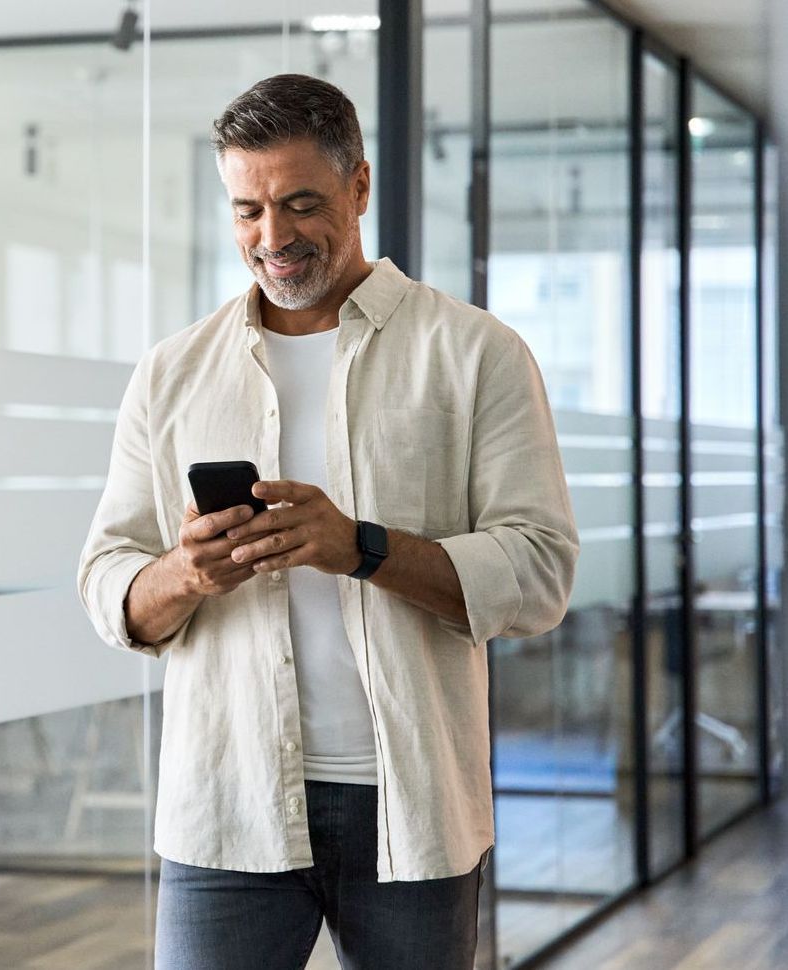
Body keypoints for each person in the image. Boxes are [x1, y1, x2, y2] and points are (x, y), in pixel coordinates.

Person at [75, 73, 578, 970]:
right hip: (223, 804)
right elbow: (107, 585)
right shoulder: (171, 372)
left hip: (411, 807)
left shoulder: (474, 354)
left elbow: (539, 574)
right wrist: (186, 573)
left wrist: (361, 549)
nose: (271, 238)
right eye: (246, 211)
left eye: (300, 203)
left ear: (359, 187)